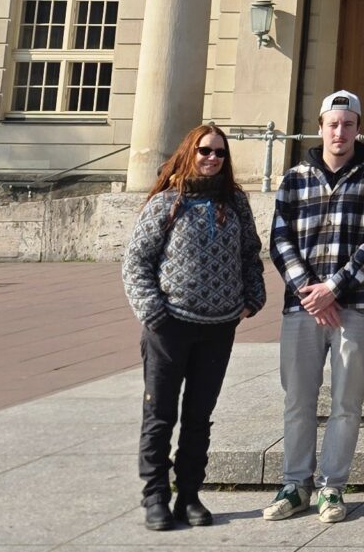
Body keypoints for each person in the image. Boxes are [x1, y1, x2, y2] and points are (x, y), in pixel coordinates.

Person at [264, 90, 364, 525]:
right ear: (320, 127)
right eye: (333, 124)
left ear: (359, 128)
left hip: (355, 307)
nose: (340, 132)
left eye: (348, 124)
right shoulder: (295, 177)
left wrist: (334, 288)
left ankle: (332, 486)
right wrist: (310, 291)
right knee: (298, 399)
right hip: (302, 308)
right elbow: (280, 238)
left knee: (346, 401)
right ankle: (295, 483)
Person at [123, 122, 265, 531]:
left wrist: (252, 298)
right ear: (190, 152)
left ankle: (189, 494)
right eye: (205, 150)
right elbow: (136, 261)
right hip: (169, 327)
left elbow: (250, 254)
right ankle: (155, 496)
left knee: (199, 417)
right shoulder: (166, 202)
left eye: (220, 152)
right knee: (160, 415)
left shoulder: (234, 202)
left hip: (218, 329)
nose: (212, 158)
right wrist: (152, 312)